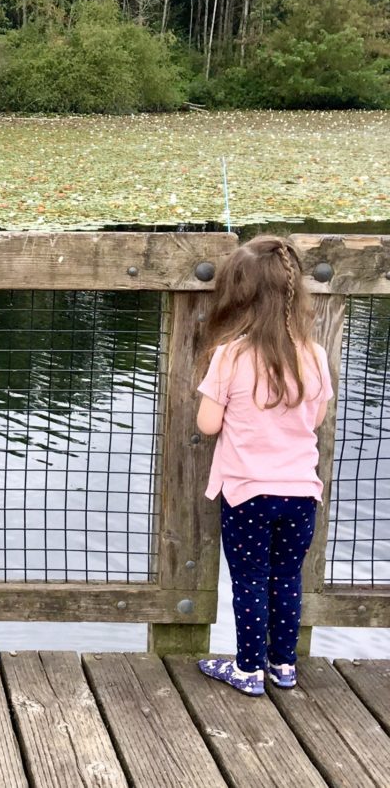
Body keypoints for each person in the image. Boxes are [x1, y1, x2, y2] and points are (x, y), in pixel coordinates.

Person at [195, 235, 332, 697]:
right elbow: (314, 418)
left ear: (240, 295)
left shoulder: (230, 355)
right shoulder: (314, 355)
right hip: (300, 493)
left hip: (247, 492)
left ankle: (249, 669)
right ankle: (283, 665)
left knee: (250, 579)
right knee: (287, 577)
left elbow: (208, 424)